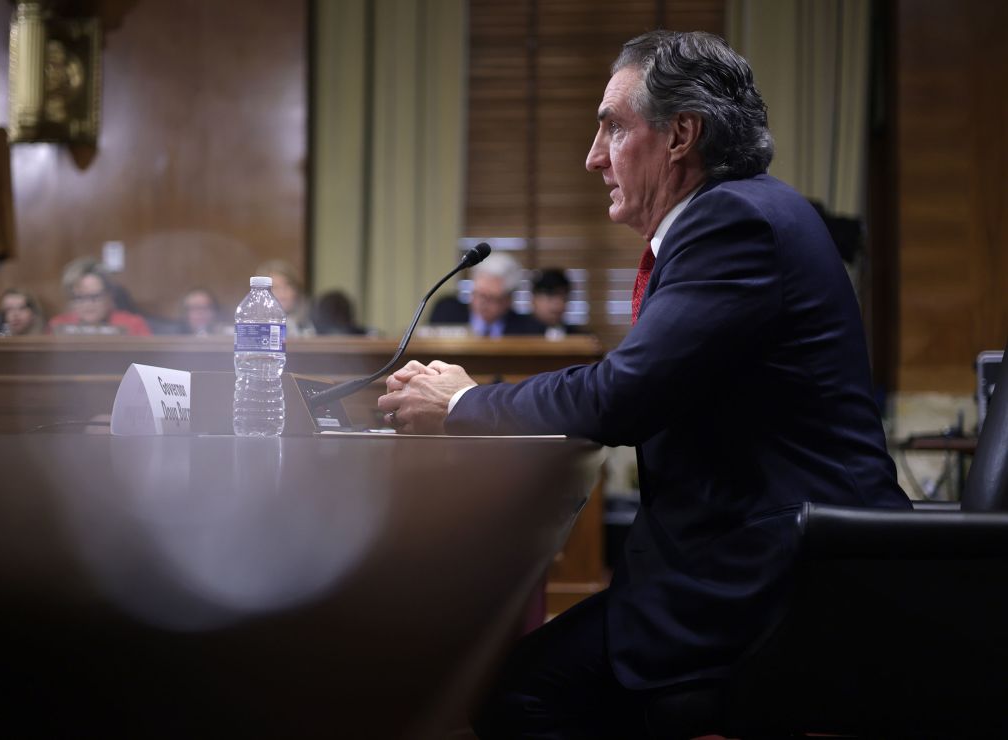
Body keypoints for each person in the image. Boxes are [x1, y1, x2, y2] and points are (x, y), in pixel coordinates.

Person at [377, 30, 910, 738]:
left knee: (518, 695)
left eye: (613, 128)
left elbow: (622, 395)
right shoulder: (751, 213)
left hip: (779, 578)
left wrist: (464, 403)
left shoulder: (734, 221)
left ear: (681, 135)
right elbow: (638, 384)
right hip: (770, 561)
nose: (593, 157)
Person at [428, 252, 543, 336]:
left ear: (508, 300)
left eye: (491, 298)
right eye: (478, 294)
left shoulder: (529, 330)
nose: (482, 303)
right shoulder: (446, 312)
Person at [48, 260, 151, 336]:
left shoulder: (132, 324)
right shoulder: (58, 325)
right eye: (79, 298)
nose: (87, 304)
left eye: (95, 296)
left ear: (109, 296)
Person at [255, 259, 316, 336]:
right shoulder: (248, 326)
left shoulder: (310, 323)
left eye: (287, 286)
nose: (282, 293)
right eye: (274, 287)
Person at [530, 268, 585, 337]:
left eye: (563, 298)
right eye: (550, 297)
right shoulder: (517, 333)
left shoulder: (577, 336)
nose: (558, 304)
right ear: (533, 299)